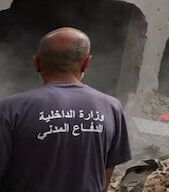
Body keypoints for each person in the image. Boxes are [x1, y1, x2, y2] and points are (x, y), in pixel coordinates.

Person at [0, 27, 131, 191]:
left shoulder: (11, 109)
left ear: (37, 63)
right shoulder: (112, 107)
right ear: (86, 63)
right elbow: (106, 173)